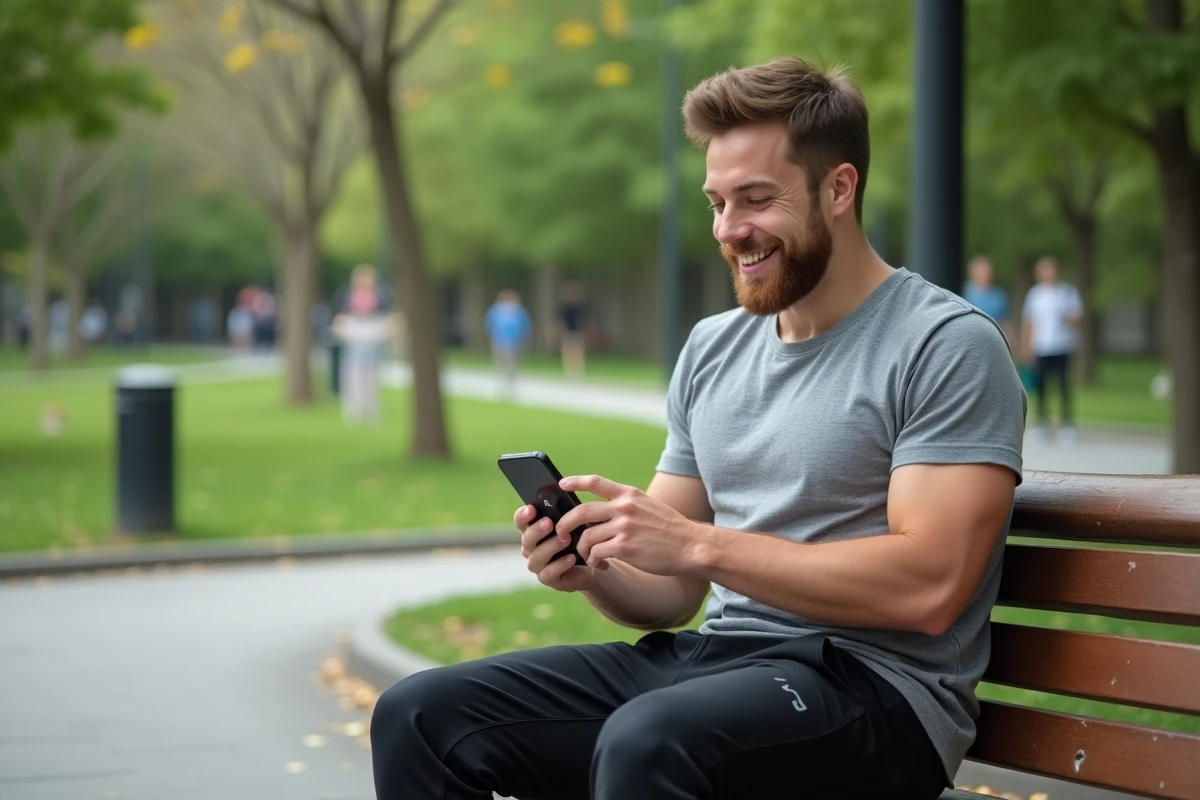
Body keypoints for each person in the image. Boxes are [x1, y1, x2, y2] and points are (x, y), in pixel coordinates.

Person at [369, 57, 1025, 800]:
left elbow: (930, 588)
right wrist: (596, 565)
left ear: (839, 188)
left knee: (650, 740)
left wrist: (698, 544)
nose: (729, 230)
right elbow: (670, 593)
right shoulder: (716, 346)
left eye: (754, 199)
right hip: (718, 661)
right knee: (419, 715)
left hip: (875, 692)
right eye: (716, 202)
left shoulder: (943, 343)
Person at [1021, 256, 1083, 444]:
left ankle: (1067, 425)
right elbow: (1029, 322)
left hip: (1062, 346)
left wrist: (1068, 317)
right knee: (1041, 387)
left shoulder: (1068, 292)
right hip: (1042, 347)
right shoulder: (1035, 294)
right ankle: (1041, 424)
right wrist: (1027, 346)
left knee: (1064, 386)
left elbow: (1078, 317)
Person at [332, 265, 397, 424]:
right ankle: (353, 410)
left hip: (372, 339)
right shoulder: (348, 296)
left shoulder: (380, 295)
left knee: (372, 378)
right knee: (353, 377)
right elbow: (342, 318)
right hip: (355, 340)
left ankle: (371, 410)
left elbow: (388, 317)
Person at [484, 289, 531, 398]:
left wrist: (524, 341)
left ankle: (511, 385)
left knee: (512, 364)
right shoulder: (496, 311)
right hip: (500, 341)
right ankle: (502, 384)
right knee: (501, 363)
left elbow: (525, 327)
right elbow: (490, 326)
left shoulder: (519, 312)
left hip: (515, 342)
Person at [961, 255, 1013, 344]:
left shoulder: (999, 294)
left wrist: (1009, 342)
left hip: (993, 341)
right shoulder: (964, 292)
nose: (984, 274)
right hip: (970, 339)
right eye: (981, 270)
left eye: (986, 270)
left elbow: (1005, 321)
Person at [557, 280, 587, 379]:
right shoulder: (564, 308)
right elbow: (560, 321)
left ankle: (578, 370)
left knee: (578, 351)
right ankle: (569, 370)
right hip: (567, 332)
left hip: (577, 332)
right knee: (567, 351)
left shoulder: (580, 307)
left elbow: (583, 320)